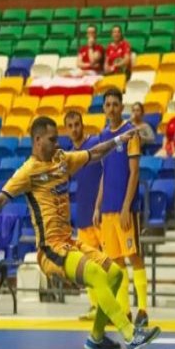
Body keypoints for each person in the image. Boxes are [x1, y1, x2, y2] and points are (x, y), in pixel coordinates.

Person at [0, 117, 160, 349]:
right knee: (95, 274)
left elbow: (94, 153)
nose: (57, 143)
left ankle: (97, 337)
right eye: (52, 139)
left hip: (69, 242)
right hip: (50, 250)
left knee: (114, 274)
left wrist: (119, 139)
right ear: (37, 141)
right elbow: (0, 198)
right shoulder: (27, 172)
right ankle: (130, 333)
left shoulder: (62, 159)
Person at [94, 88, 150, 327]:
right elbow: (104, 175)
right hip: (106, 210)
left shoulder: (130, 133)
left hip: (125, 208)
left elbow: (134, 171)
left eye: (115, 104)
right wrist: (97, 206)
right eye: (108, 105)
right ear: (104, 108)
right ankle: (125, 312)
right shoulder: (104, 137)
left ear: (121, 106)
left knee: (133, 256)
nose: (112, 108)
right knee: (116, 262)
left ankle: (143, 310)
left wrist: (127, 205)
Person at [64, 111, 103, 321]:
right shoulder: (70, 156)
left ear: (82, 124)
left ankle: (114, 306)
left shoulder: (96, 143)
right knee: (88, 264)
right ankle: (96, 306)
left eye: (77, 124)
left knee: (109, 262)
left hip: (101, 214)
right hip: (83, 215)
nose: (74, 129)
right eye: (70, 126)